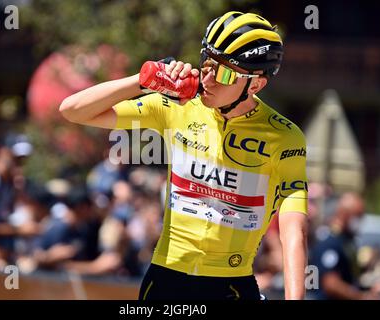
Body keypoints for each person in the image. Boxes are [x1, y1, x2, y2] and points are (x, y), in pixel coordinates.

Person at [60, 11, 308, 300]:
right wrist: (143, 80)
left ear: (255, 84)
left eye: (225, 72)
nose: (209, 78)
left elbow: (294, 230)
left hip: (230, 286)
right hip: (167, 279)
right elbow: (72, 110)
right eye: (207, 63)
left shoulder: (285, 137)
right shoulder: (177, 106)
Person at [310, 192, 380, 300]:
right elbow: (330, 284)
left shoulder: (346, 241)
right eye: (357, 216)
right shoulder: (330, 242)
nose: (359, 221)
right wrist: (362, 297)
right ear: (344, 214)